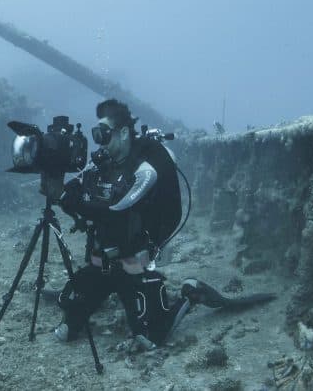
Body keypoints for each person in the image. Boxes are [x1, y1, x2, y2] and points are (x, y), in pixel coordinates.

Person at [54, 98, 219, 347]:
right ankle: (101, 294)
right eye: (96, 134)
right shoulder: (101, 163)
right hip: (102, 263)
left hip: (134, 263)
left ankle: (190, 294)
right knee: (68, 325)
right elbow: (69, 194)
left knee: (152, 337)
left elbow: (117, 209)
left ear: (122, 132)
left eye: (104, 134)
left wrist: (78, 202)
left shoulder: (145, 168)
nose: (100, 142)